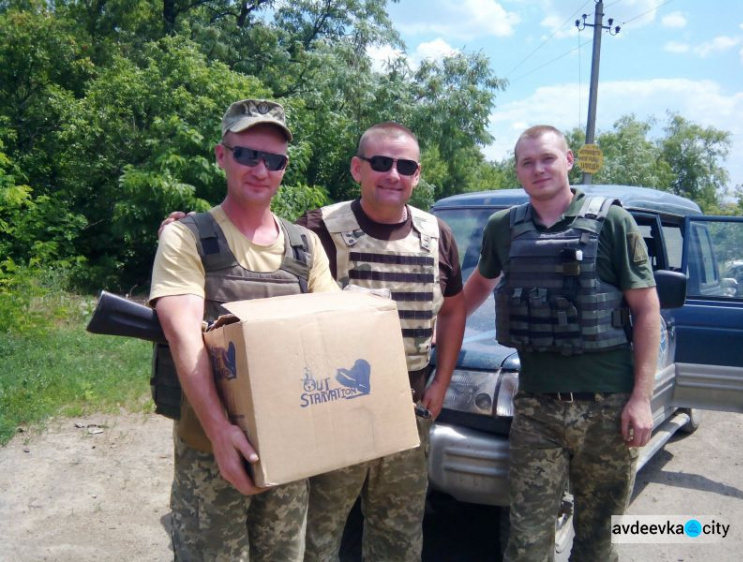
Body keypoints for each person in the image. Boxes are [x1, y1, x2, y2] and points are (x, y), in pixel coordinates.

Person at [149, 98, 340, 561]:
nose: (260, 169)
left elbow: (330, 334)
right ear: (221, 156)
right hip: (208, 441)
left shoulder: (306, 246)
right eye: (246, 155)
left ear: (284, 167)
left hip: (288, 443)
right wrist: (220, 433)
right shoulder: (188, 237)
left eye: (273, 160)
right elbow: (184, 336)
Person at [462, 125, 660, 562]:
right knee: (527, 541)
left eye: (548, 158)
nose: (538, 169)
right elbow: (470, 294)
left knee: (597, 539)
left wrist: (641, 399)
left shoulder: (612, 221)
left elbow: (648, 312)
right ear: (517, 170)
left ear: (569, 160)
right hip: (537, 410)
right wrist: (428, 325)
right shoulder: (504, 228)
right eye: (527, 162)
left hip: (608, 410)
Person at [297, 122, 466, 561]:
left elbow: (452, 310)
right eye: (381, 163)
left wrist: (441, 384)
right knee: (318, 530)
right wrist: (187, 229)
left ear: (417, 174)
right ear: (358, 168)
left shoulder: (437, 235)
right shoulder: (319, 228)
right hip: (336, 403)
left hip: (409, 405)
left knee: (399, 531)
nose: (393, 174)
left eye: (405, 166)